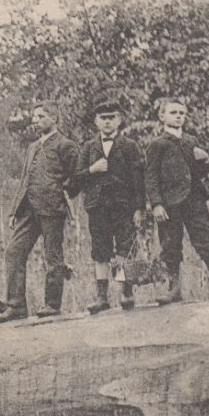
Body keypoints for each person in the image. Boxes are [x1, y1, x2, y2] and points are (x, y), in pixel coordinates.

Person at [145, 98, 209, 305]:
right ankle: (174, 287)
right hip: (169, 203)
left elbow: (199, 173)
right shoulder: (156, 145)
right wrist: (156, 204)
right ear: (162, 116)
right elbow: (150, 177)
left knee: (207, 237)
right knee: (170, 243)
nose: (178, 116)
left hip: (194, 199)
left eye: (181, 113)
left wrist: (205, 160)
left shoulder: (191, 141)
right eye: (173, 112)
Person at [0, 102, 80, 321]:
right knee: (14, 251)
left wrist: (60, 193)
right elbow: (25, 180)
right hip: (28, 210)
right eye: (35, 116)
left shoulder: (65, 145)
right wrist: (14, 210)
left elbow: (76, 178)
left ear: (55, 119)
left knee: (52, 257)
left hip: (52, 209)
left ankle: (52, 304)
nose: (36, 120)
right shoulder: (32, 147)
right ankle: (16, 306)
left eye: (41, 116)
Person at [66, 98, 146, 313]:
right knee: (100, 250)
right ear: (96, 122)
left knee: (125, 248)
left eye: (112, 118)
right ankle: (102, 297)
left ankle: (126, 292)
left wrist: (139, 208)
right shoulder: (88, 148)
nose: (108, 122)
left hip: (123, 207)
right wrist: (92, 169)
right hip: (98, 207)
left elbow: (138, 180)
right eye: (103, 118)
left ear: (119, 120)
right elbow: (75, 179)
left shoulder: (130, 146)